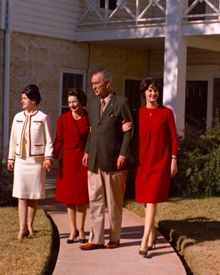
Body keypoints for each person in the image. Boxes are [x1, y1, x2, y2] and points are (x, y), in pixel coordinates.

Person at [80, 69, 134, 251]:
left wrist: (123, 154)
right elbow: (91, 131)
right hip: (94, 160)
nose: (94, 87)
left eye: (97, 83)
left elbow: (129, 132)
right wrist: (87, 151)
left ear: (107, 83)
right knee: (95, 201)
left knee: (113, 203)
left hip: (113, 161)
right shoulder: (92, 104)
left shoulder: (121, 103)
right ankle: (95, 239)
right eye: (92, 84)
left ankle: (114, 237)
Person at [134, 78, 178, 257]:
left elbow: (174, 138)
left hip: (160, 161)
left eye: (156, 91)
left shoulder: (166, 113)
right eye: (150, 91)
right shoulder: (138, 113)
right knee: (146, 200)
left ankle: (144, 240)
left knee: (151, 199)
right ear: (144, 92)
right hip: (142, 162)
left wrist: (173, 160)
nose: (153, 94)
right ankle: (152, 234)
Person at [7, 84, 54, 240]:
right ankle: (22, 228)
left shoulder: (43, 118)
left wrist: (48, 158)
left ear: (33, 100)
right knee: (21, 195)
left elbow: (49, 140)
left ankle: (30, 226)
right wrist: (11, 158)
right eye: (22, 98)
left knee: (33, 196)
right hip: (21, 160)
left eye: (25, 98)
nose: (22, 101)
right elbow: (13, 139)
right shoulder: (17, 117)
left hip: (36, 161)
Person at [53, 88, 90, 244]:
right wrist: (51, 157)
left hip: (83, 160)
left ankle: (81, 230)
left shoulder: (89, 117)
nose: (72, 105)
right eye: (69, 102)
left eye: (74, 101)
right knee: (69, 198)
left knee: (81, 198)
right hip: (67, 160)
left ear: (80, 100)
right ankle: (72, 229)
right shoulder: (63, 118)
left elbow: (92, 138)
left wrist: (88, 152)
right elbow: (59, 140)